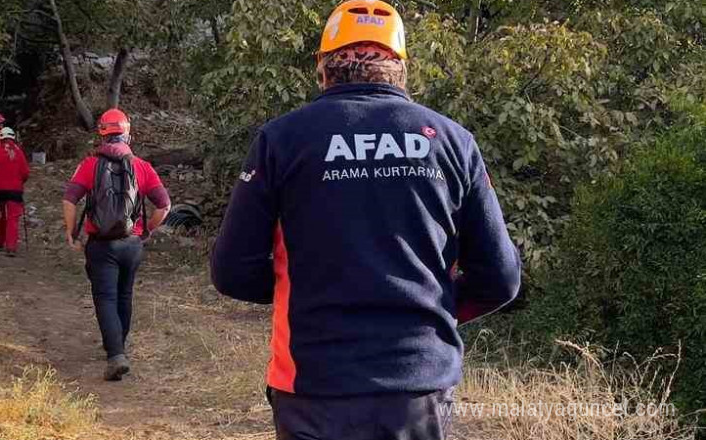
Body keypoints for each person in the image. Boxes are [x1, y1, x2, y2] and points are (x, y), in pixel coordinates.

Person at [210, 1, 522, 439]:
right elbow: (501, 279)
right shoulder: (453, 142)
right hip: (418, 385)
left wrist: (307, 290)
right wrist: (436, 304)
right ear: (401, 69)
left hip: (314, 383)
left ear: (323, 68)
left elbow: (232, 272)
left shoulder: (282, 139)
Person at [62, 108, 171, 381]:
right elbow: (164, 205)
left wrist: (70, 232)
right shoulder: (142, 166)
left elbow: (70, 199)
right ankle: (118, 346)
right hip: (131, 244)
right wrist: (147, 230)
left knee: (106, 297)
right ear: (127, 135)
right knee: (124, 295)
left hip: (101, 245)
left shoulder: (89, 165)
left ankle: (115, 354)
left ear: (101, 135)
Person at [0, 127, 30, 256]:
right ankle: (11, 246)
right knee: (13, 218)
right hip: (15, 191)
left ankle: (0, 242)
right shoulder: (19, 152)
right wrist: (20, 182)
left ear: (1, 139)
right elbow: (25, 172)